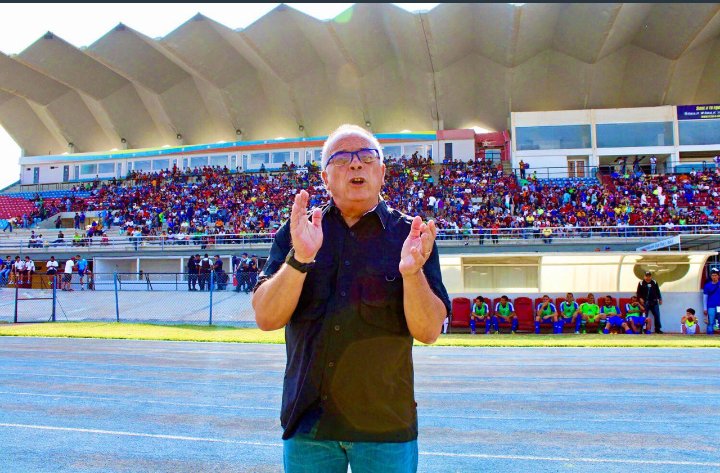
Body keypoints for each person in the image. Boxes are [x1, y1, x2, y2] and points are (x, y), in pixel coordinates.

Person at [252, 124, 450, 473]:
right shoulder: (298, 231)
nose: (356, 165)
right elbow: (267, 318)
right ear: (325, 179)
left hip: (385, 428)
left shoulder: (412, 236)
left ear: (382, 172)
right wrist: (299, 259)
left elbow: (429, 330)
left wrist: (411, 273)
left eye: (366, 157)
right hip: (310, 426)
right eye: (342, 158)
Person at [703, 267, 720, 334]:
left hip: (719, 306)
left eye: (715, 275)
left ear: (718, 276)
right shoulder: (707, 286)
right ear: (711, 276)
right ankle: (710, 335)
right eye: (712, 275)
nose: (714, 277)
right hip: (711, 306)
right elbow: (705, 297)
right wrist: (705, 308)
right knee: (710, 322)